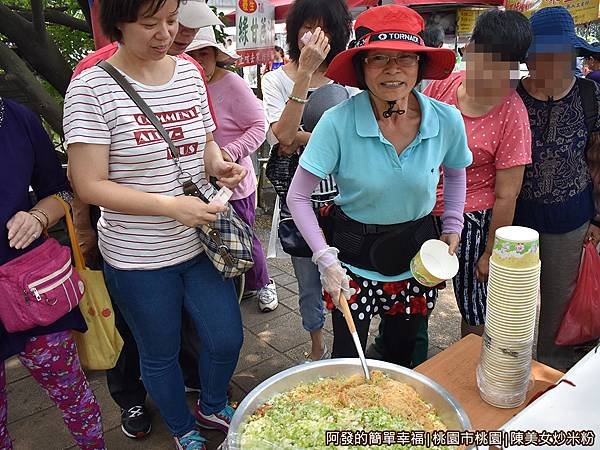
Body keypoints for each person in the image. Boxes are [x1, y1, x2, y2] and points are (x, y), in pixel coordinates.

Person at [64, 0, 247, 448]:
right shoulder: (91, 89)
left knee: (226, 337)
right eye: (149, 24)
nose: (165, 34)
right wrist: (169, 206)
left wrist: (220, 165)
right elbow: (88, 184)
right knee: (159, 352)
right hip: (136, 258)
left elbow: (203, 144)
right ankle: (183, 430)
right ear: (117, 25)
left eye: (170, 21)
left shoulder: (187, 72)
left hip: (198, 242)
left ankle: (209, 403)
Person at [287, 4, 472, 365]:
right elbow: (297, 196)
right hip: (350, 262)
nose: (392, 70)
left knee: (403, 354)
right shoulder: (336, 123)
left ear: (420, 65)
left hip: (416, 258)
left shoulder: (446, 119)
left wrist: (453, 223)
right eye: (378, 58)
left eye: (405, 58)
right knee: (347, 358)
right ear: (361, 66)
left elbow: (455, 170)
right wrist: (324, 258)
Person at [0, 97, 105, 449]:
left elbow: (59, 189)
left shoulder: (15, 118)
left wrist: (38, 217)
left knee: (73, 396)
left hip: (33, 288)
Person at [426, 9, 532, 338]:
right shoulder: (444, 85)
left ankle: (470, 367)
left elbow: (507, 194)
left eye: (505, 66)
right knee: (414, 294)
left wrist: (490, 252)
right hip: (424, 208)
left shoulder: (513, 113)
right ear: (471, 50)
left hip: (474, 220)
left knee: (473, 304)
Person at [261, 0, 353, 362]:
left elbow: (355, 136)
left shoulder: (348, 79)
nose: (315, 37)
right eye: (307, 28)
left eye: (325, 28)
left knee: (345, 275)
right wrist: (304, 75)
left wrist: (305, 136)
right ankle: (316, 346)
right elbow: (282, 136)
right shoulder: (276, 80)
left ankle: (347, 345)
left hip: (346, 199)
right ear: (293, 31)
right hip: (299, 203)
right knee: (308, 282)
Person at [514, 6, 600, 371]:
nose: (548, 64)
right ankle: (509, 369)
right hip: (516, 220)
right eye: (540, 56)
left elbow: (598, 160)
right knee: (511, 301)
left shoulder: (590, 95)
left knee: (559, 304)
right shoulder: (511, 96)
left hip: (572, 218)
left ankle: (551, 373)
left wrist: (599, 219)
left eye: (559, 56)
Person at [186, 28, 277, 311]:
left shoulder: (232, 84)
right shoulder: (182, 84)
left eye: (204, 53)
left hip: (233, 183)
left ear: (215, 55)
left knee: (243, 237)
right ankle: (236, 287)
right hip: (195, 185)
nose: (199, 60)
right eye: (192, 53)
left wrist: (228, 153)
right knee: (211, 241)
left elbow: (260, 127)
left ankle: (263, 284)